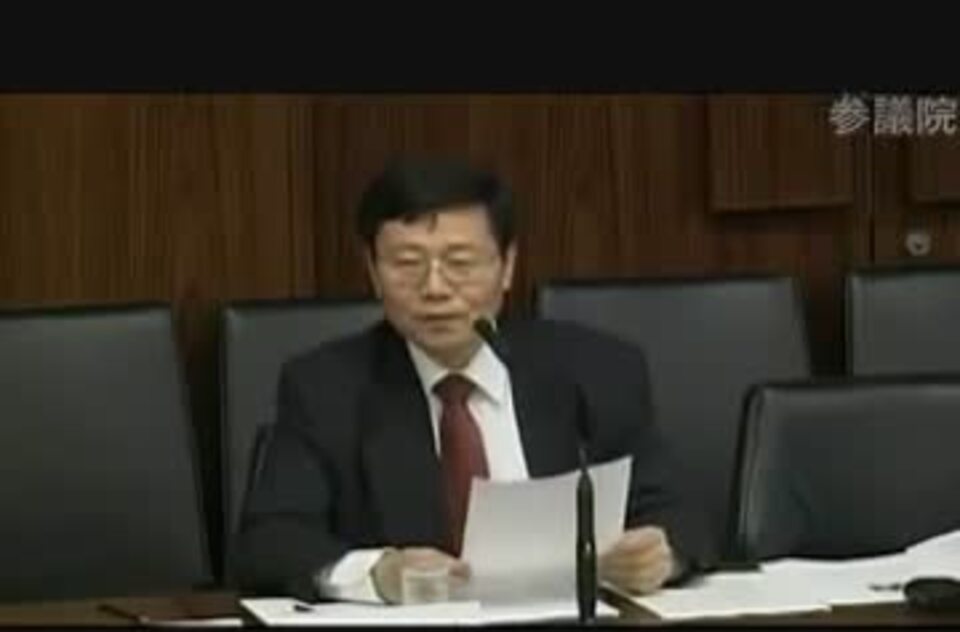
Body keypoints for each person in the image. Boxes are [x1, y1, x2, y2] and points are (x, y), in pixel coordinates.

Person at [233, 156, 716, 603]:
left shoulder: (594, 370)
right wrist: (378, 573)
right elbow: (270, 542)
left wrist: (660, 554)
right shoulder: (325, 388)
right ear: (374, 273)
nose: (435, 288)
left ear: (507, 266)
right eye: (407, 264)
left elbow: (684, 515)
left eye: (460, 263)